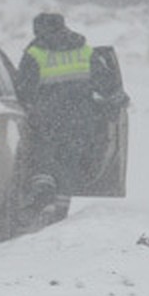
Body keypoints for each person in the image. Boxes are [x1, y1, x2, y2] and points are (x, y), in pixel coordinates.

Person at [14, 12, 98, 219]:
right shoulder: (85, 50)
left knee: (43, 160)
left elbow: (23, 90)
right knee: (68, 162)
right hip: (80, 119)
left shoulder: (35, 54)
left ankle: (43, 202)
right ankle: (61, 209)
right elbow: (105, 81)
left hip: (47, 119)